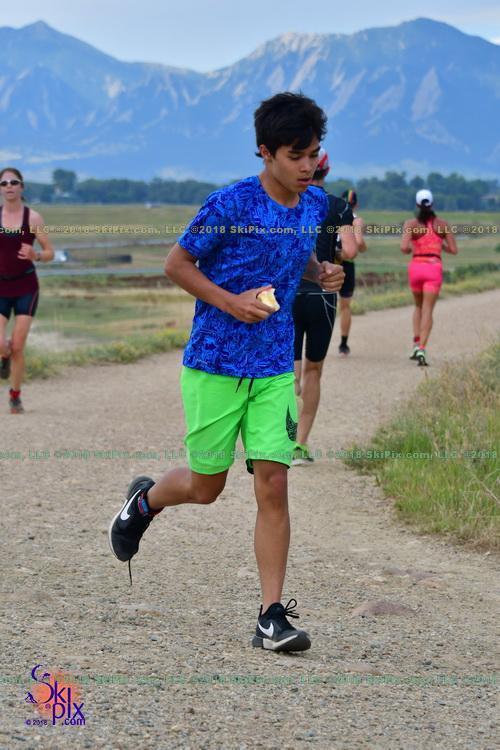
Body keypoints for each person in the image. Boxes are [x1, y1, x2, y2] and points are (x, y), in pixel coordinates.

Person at [108, 92, 345, 653]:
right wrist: (229, 302)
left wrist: (321, 272)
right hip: (214, 364)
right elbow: (177, 264)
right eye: (295, 155)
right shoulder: (230, 204)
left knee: (274, 483)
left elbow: (295, 259)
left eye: (313, 153)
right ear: (265, 152)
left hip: (273, 368)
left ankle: (271, 617)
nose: (307, 165)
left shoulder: (313, 204)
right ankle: (144, 502)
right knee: (205, 486)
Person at [291, 151, 357, 465]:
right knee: (314, 370)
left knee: (288, 372)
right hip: (323, 294)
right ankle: (301, 445)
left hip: (289, 294)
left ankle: (282, 438)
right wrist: (335, 254)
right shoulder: (339, 206)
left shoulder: (288, 200)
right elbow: (351, 251)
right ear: (327, 171)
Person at [0, 167, 54, 413]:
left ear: (21, 187)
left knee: (18, 347)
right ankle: (3, 356)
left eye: (14, 182)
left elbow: (50, 252)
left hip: (25, 286)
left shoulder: (32, 218)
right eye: (4, 183)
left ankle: (15, 396)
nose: (9, 186)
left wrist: (36, 255)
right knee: (2, 345)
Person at [401, 189, 458, 366]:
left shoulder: (410, 224)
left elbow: (404, 248)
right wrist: (439, 245)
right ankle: (422, 349)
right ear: (432, 203)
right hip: (433, 268)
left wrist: (413, 247)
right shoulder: (443, 225)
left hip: (416, 267)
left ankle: (415, 343)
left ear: (417, 205)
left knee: (418, 306)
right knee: (428, 310)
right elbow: (454, 250)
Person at [337, 190, 367, 356]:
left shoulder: (332, 215)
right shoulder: (356, 220)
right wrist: (364, 248)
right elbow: (360, 243)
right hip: (347, 264)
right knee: (345, 306)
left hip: (330, 262)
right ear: (357, 204)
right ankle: (343, 344)